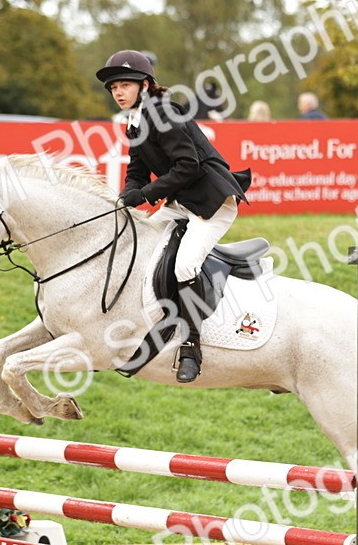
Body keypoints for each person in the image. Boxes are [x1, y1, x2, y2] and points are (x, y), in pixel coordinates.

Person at [97, 49, 251, 383]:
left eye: (125, 85)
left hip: (212, 202)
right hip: (182, 200)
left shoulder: (163, 111)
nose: (118, 92)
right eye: (113, 88)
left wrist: (147, 194)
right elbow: (137, 172)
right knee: (137, 244)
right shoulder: (135, 122)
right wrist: (127, 195)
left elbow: (188, 165)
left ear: (146, 84)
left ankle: (192, 346)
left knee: (184, 266)